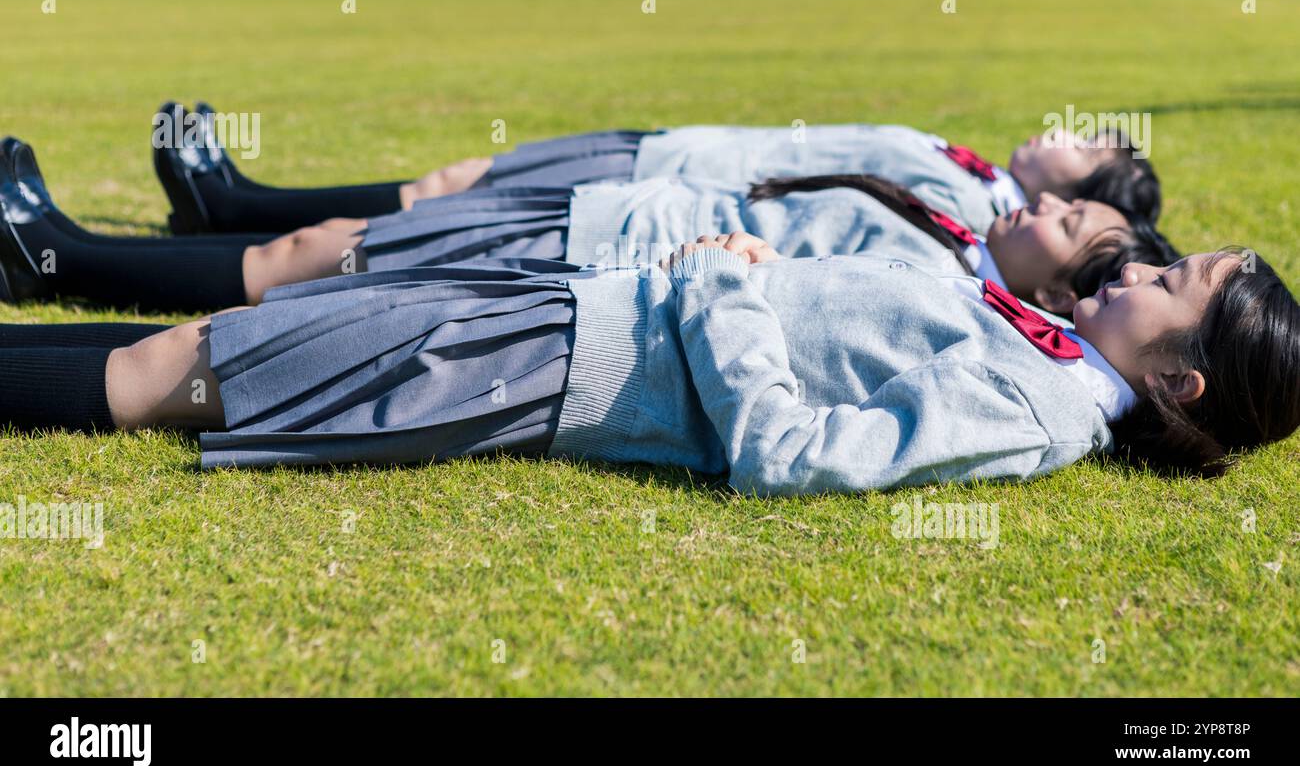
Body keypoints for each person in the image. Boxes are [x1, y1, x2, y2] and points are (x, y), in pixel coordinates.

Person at [0, 237, 1295, 495]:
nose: (1135, 269)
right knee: (213, 345)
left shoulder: (1037, 405)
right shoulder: (1055, 349)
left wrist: (726, 285)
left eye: (1168, 286)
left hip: (559, 359)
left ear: (1182, 381)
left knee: (187, 369)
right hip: (585, 306)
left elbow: (789, 456)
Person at [2, 137, 1174, 316]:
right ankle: (64, 253)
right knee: (303, 260)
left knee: (295, 275)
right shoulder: (960, 219)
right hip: (621, 198)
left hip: (596, 248)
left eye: (1074, 207)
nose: (1049, 196)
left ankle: (53, 256)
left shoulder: (950, 250)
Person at [152, 102, 1160, 236]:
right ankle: (236, 201)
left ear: (1079, 194)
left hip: (675, 177)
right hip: (680, 149)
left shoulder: (968, 205)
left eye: (1086, 145)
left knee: (449, 193)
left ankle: (231, 208)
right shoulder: (975, 178)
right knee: (461, 176)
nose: (1059, 133)